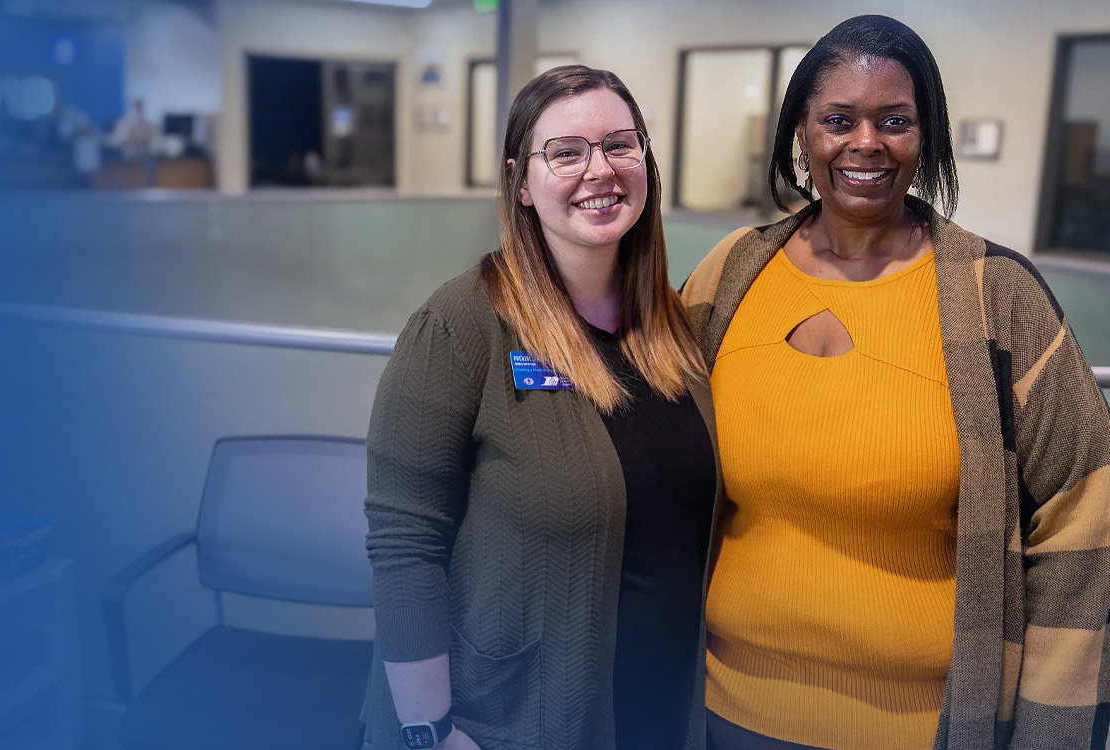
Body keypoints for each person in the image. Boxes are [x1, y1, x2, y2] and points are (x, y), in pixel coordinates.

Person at [681, 15, 1110, 750]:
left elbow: (1086, 515)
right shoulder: (731, 274)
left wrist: (1051, 734)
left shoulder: (996, 295)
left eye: (896, 121)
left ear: (927, 135)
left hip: (926, 727)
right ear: (803, 134)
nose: (866, 144)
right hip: (725, 711)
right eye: (838, 120)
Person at [363, 65, 719, 750]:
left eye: (621, 144)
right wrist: (430, 732)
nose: (601, 170)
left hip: (657, 709)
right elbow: (405, 542)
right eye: (566, 151)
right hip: (507, 720)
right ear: (521, 183)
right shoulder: (463, 323)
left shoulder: (674, 330)